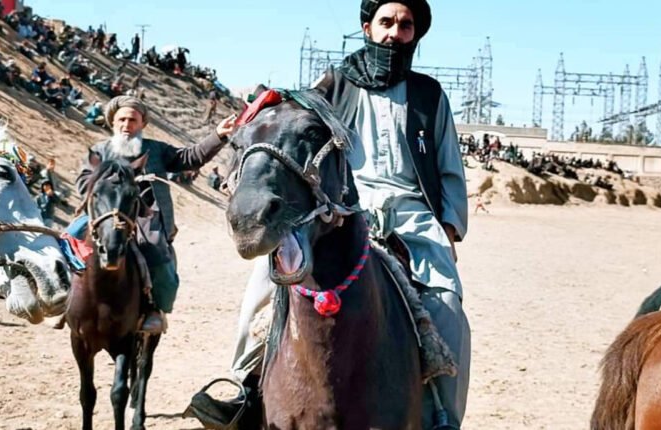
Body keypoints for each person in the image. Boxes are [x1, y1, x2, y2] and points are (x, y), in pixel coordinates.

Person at [226, 1, 470, 428]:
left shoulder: (430, 95)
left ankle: (442, 414)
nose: (395, 32)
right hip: (336, 206)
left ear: (415, 33)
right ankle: (240, 391)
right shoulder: (331, 85)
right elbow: (290, 125)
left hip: (412, 215)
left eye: (406, 25)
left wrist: (447, 228)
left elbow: (450, 169)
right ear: (367, 27)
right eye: (386, 22)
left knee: (447, 302)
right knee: (264, 284)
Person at [75, 95, 235, 334]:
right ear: (112, 122)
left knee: (155, 251)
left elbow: (189, 158)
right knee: (68, 241)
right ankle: (64, 300)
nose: (127, 125)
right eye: (122, 120)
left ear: (142, 124)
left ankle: (154, 309)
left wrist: (218, 136)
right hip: (104, 214)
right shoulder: (99, 151)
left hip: (145, 217)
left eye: (133, 120)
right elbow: (83, 183)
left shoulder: (156, 150)